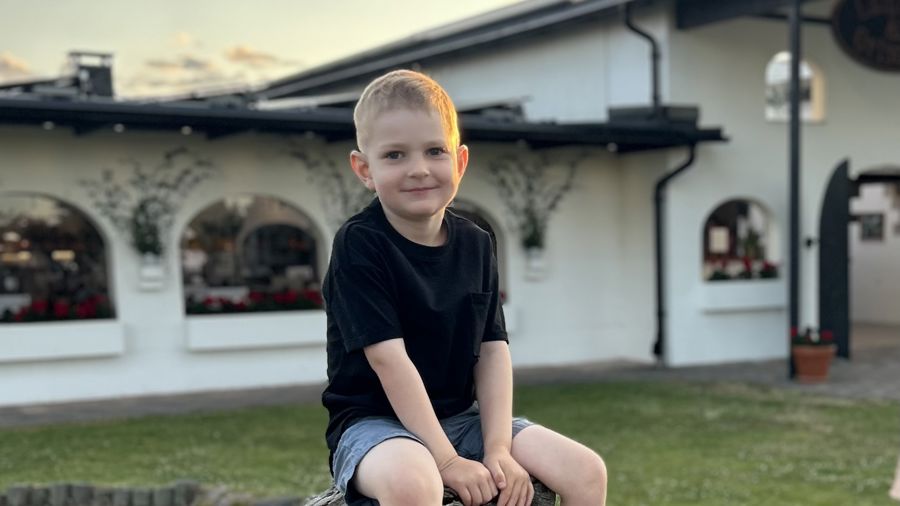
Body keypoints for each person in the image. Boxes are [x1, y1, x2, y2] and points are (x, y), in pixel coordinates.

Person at [321, 69, 607, 506]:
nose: (418, 169)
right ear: (364, 169)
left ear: (460, 161)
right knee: (413, 483)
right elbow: (388, 360)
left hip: (461, 417)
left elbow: (492, 350)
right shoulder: (360, 243)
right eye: (395, 155)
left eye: (435, 151)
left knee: (585, 470)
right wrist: (447, 461)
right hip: (376, 425)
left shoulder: (476, 242)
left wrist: (498, 448)